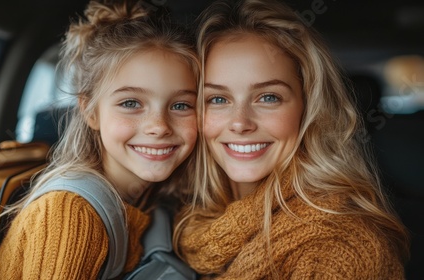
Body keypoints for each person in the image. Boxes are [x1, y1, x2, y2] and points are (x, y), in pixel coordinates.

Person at [174, 0, 410, 279]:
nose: (240, 122)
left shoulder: (339, 250)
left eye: (268, 97)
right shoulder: (186, 218)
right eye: (217, 99)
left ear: (308, 108)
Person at [0, 0, 199, 278]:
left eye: (181, 105)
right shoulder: (70, 215)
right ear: (90, 111)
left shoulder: (149, 199)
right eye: (131, 103)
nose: (159, 126)